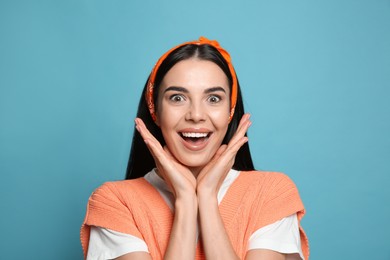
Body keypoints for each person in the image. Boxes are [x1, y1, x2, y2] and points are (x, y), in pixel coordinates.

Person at [80, 36, 309, 260]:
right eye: (178, 98)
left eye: (213, 99)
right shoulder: (115, 203)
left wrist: (207, 198)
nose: (196, 115)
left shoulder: (271, 194)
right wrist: (186, 201)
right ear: (155, 111)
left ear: (230, 111)